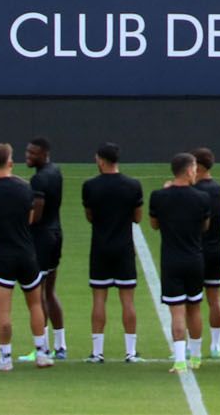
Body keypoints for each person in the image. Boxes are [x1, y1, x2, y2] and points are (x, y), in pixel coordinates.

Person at [0, 141, 52, 371]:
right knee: (35, 305)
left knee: (3, 310)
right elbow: (30, 219)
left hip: (2, 255)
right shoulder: (25, 188)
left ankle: (5, 358)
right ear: (11, 162)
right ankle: (42, 354)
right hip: (27, 253)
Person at [80, 141, 145, 364]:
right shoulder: (133, 185)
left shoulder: (90, 186)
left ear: (100, 160)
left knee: (99, 298)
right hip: (124, 248)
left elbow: (89, 216)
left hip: (100, 248)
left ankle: (97, 352)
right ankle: (130, 352)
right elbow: (137, 217)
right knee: (128, 300)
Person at [150, 151, 215, 370]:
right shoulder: (202, 198)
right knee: (194, 308)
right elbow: (205, 226)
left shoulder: (159, 197)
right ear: (188, 171)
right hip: (195, 259)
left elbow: (154, 224)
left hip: (171, 261)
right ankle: (196, 357)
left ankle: (180, 360)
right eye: (195, 169)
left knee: (176, 311)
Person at [24, 137, 67, 360]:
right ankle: (61, 346)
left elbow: (36, 215)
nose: (28, 156)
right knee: (49, 291)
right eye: (27, 152)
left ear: (44, 153)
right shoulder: (55, 171)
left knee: (37, 294)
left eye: (33, 153)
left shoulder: (39, 180)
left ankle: (43, 347)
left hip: (41, 239)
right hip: (56, 234)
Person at [192, 146, 220, 358]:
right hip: (216, 249)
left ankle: (190, 346)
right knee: (215, 298)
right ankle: (216, 346)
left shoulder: (194, 192)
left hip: (195, 250)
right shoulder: (219, 190)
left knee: (192, 302)